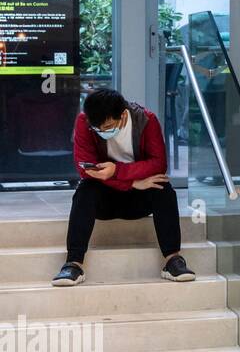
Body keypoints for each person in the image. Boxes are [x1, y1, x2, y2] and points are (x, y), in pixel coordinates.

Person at [53, 89, 195, 287]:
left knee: (163, 188)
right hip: (106, 197)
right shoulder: (85, 122)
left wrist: (117, 171)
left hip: (138, 198)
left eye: (108, 126)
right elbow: (85, 168)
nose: (103, 131)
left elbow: (158, 164)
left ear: (123, 115)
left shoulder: (146, 120)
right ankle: (73, 264)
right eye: (98, 129)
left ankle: (173, 260)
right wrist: (130, 182)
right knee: (85, 191)